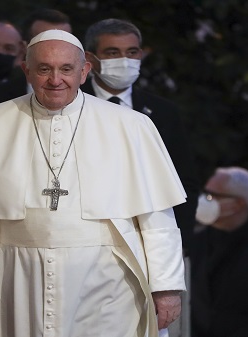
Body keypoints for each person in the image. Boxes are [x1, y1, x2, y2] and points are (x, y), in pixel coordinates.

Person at [0, 29, 186, 337]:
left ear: (84, 71)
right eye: (43, 69)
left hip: (108, 280)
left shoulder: (131, 126)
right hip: (17, 276)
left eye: (66, 69)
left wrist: (166, 286)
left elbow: (157, 219)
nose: (55, 79)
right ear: (26, 70)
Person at [81, 18, 199, 255]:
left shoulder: (164, 112)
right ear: (90, 59)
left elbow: (183, 179)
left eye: (131, 52)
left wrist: (180, 242)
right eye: (112, 52)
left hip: (149, 238)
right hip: (86, 236)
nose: (124, 60)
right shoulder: (73, 104)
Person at [190, 167, 248, 337]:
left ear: (238, 204)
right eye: (205, 193)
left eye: (213, 195)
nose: (205, 200)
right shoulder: (193, 241)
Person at [0, 8, 72, 107]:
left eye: (64, 42)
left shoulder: (88, 95)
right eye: (44, 41)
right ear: (24, 47)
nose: (55, 49)